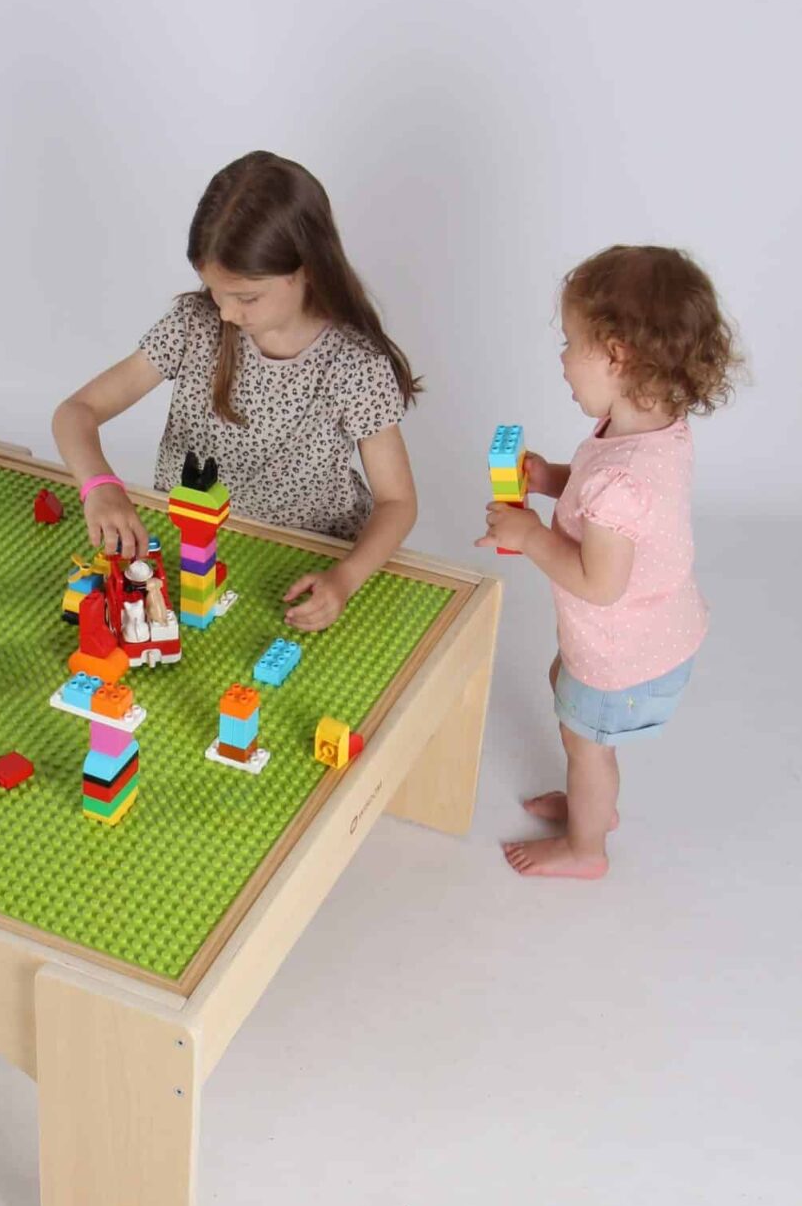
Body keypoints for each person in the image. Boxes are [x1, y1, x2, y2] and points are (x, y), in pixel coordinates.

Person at [52, 150, 420, 632]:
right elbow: (76, 411)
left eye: (246, 297)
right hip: (189, 550)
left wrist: (345, 579)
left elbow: (397, 502)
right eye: (215, 291)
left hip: (302, 562)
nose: (225, 313)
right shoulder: (193, 324)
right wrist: (99, 485)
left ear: (308, 268)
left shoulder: (355, 365)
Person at [476, 245, 740, 879]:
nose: (562, 359)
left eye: (570, 343)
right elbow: (600, 499)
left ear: (616, 356)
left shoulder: (623, 480)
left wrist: (530, 535)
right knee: (566, 695)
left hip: (624, 655)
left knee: (586, 745)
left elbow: (599, 582)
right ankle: (590, 803)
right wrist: (550, 478)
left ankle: (586, 844)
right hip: (647, 635)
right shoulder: (647, 432)